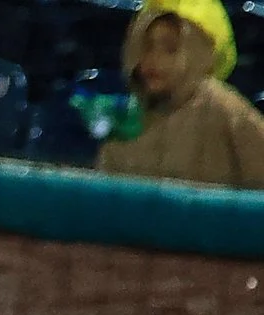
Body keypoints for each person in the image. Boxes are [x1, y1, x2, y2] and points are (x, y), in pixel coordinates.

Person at [96, 0, 264, 189]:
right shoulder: (128, 118)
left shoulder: (227, 112)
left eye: (170, 49)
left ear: (199, 54)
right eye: (147, 46)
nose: (154, 59)